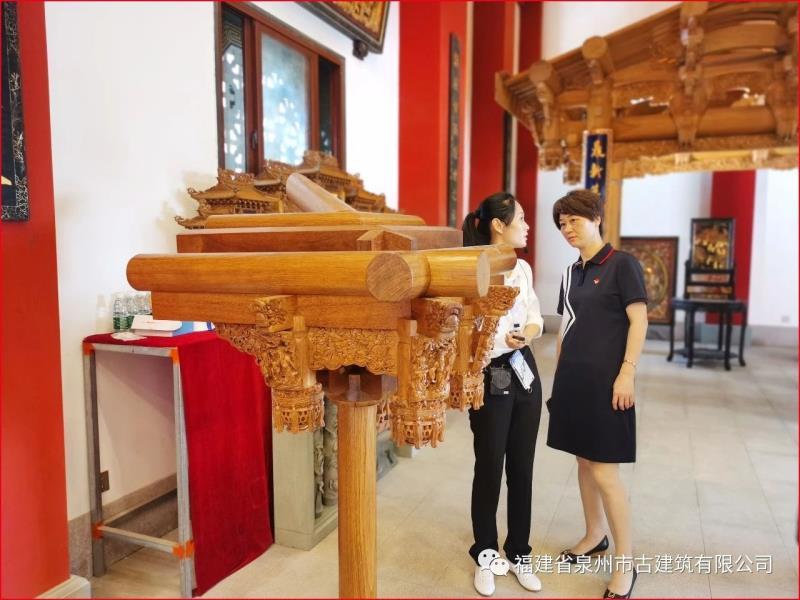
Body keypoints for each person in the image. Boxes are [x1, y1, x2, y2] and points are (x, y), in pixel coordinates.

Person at [546, 189, 648, 599]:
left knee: (605, 471)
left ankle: (626, 563)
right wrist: (559, 380)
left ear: (596, 218)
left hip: (609, 383)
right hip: (574, 381)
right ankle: (594, 535)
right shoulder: (570, 273)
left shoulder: (623, 264)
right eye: (562, 224)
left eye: (574, 220)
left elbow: (638, 321)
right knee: (584, 461)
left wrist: (627, 373)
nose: (567, 229)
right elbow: (565, 329)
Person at [462, 192, 544, 597]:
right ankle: (485, 553)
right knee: (490, 466)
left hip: (525, 372)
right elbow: (467, 330)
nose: (527, 226)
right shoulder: (472, 268)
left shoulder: (522, 268)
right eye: (521, 219)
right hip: (490, 373)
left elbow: (535, 316)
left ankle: (519, 552)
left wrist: (525, 334)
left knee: (522, 468)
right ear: (498, 224)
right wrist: (501, 342)